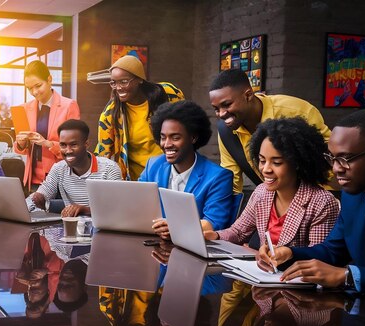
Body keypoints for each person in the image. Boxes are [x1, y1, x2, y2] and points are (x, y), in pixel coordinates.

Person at [259, 110, 365, 292]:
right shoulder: (353, 198)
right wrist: (289, 253)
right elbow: (333, 251)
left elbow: (346, 272)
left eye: (345, 159)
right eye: (332, 158)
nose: (336, 168)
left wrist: (347, 275)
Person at [204, 118, 339, 248]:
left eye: (276, 162)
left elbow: (318, 258)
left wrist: (286, 256)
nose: (266, 169)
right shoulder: (261, 192)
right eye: (262, 161)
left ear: (297, 163)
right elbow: (238, 232)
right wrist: (215, 236)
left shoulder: (322, 202)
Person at [209, 68, 332, 193]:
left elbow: (330, 159)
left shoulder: (296, 111)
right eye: (216, 109)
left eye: (227, 104)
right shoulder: (228, 130)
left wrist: (320, 199)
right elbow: (232, 182)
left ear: (248, 95)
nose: (221, 114)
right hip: (273, 200)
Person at [138, 100, 233, 240]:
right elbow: (136, 206)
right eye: (163, 137)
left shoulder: (218, 177)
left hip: (194, 250)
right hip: (154, 246)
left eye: (175, 138)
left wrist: (177, 227)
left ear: (193, 137)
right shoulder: (153, 166)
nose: (167, 144)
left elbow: (213, 223)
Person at [95, 54, 185, 181]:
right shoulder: (110, 114)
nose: (118, 87)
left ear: (140, 79)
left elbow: (186, 125)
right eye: (113, 83)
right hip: (137, 180)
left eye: (124, 81)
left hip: (172, 174)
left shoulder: (168, 94)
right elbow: (103, 153)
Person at [27, 120, 122, 217]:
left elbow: (117, 208)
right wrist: (37, 198)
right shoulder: (59, 168)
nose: (68, 151)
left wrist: (84, 210)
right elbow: (41, 194)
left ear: (86, 144)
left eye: (73, 145)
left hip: (104, 228)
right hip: (72, 228)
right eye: (63, 145)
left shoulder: (110, 168)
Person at [14, 60, 80, 190]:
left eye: (38, 85)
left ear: (49, 79)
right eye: (29, 88)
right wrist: (21, 144)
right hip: (32, 179)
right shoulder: (24, 109)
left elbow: (76, 147)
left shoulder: (69, 106)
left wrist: (48, 144)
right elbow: (19, 149)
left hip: (60, 179)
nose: (34, 92)